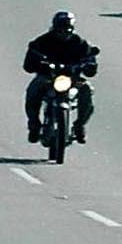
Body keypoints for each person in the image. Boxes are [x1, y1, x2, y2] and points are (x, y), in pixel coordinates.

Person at [24, 10, 99, 144]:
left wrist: (89, 65)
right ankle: (34, 124)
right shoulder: (42, 41)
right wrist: (40, 63)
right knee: (33, 91)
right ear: (54, 28)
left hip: (72, 79)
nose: (63, 33)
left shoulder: (80, 43)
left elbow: (90, 61)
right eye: (60, 30)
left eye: (67, 30)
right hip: (48, 77)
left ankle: (80, 125)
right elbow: (29, 63)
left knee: (87, 90)